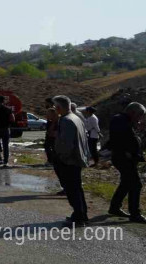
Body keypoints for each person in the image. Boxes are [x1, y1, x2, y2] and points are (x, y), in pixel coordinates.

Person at [105, 102, 146, 224]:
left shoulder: (124, 120)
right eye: (140, 115)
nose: (140, 118)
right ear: (132, 112)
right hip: (123, 158)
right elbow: (121, 139)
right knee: (136, 185)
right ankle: (135, 214)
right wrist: (127, 152)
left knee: (127, 183)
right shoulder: (120, 120)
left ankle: (115, 207)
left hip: (125, 157)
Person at [53, 95, 90, 226]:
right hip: (77, 158)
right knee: (77, 188)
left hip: (70, 160)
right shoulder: (76, 118)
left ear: (58, 107)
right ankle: (81, 214)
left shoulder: (66, 120)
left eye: (55, 107)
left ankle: (79, 217)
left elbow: (67, 144)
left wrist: (62, 157)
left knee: (72, 189)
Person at [0, 96, 15, 167]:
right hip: (6, 129)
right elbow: (13, 119)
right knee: (5, 146)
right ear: (4, 101)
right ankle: (5, 161)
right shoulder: (8, 109)